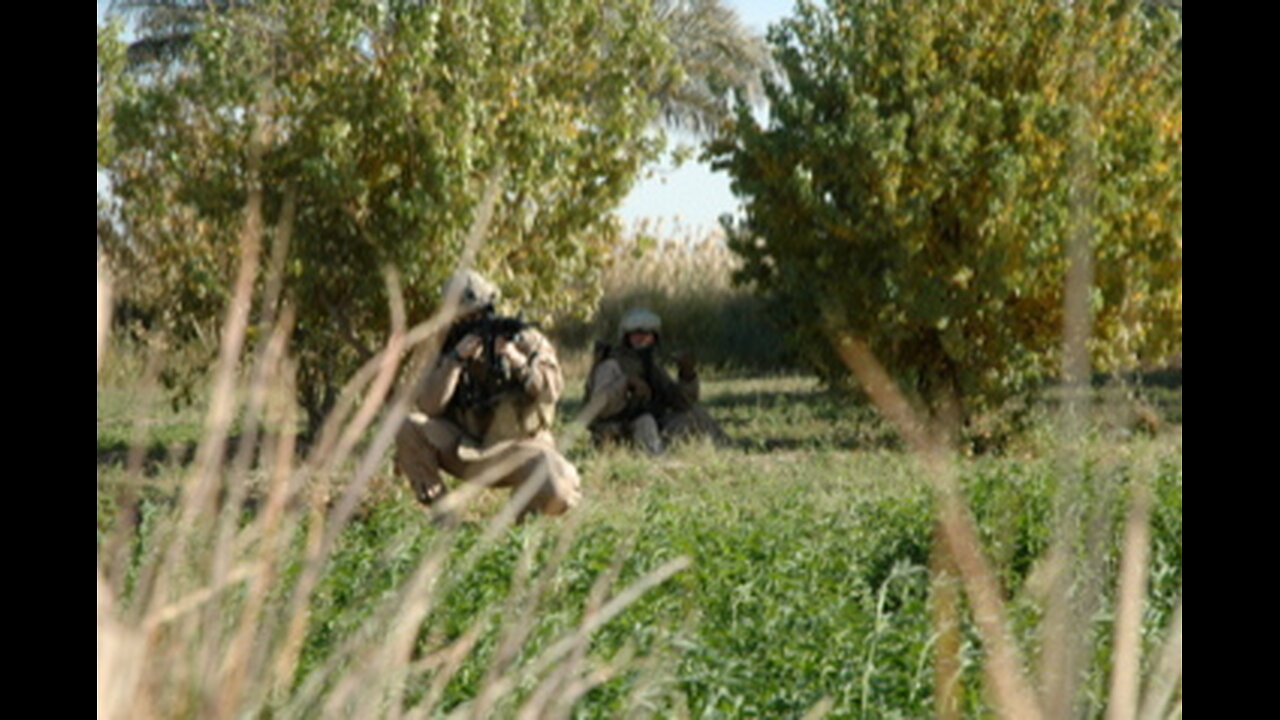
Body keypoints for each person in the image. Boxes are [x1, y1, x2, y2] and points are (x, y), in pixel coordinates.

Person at [396, 270, 581, 521]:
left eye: (477, 314)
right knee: (409, 427)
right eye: (462, 316)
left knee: (560, 492)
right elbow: (429, 407)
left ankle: (522, 510)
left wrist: (517, 360)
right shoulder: (442, 346)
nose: (472, 321)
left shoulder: (525, 340)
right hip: (465, 448)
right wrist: (455, 361)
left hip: (521, 447)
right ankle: (444, 517)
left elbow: (551, 392)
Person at [584, 307, 731, 454]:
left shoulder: (651, 365)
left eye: (647, 334)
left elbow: (681, 403)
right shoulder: (610, 364)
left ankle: (729, 451)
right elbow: (599, 407)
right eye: (636, 334)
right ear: (625, 337)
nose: (642, 339)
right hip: (616, 433)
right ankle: (654, 461)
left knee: (695, 413)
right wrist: (626, 383)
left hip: (653, 427)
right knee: (645, 421)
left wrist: (687, 376)